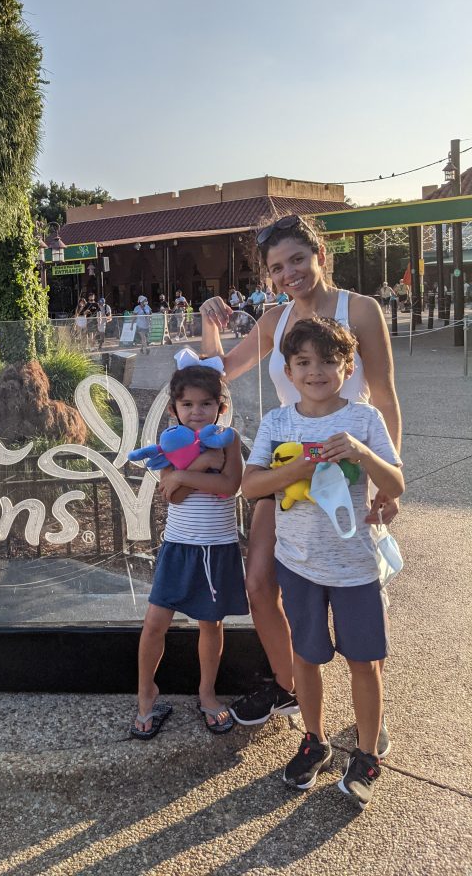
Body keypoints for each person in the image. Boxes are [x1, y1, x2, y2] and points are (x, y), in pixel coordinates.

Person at [198, 214, 401, 741]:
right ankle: (292, 687)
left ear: (319, 255)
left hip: (344, 468)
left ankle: (367, 719)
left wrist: (387, 480)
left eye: (297, 260)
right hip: (287, 467)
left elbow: (382, 395)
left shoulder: (359, 309)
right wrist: (210, 320)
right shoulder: (274, 319)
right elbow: (221, 369)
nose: (289, 273)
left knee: (358, 593)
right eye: (276, 267)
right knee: (260, 583)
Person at [242, 317, 404, 808]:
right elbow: (251, 487)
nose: (316, 372)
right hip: (299, 565)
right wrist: (296, 467)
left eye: (328, 362)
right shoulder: (277, 423)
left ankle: (368, 752)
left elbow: (394, 485)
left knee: (364, 662)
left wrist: (359, 452)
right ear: (288, 372)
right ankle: (314, 739)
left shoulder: (363, 420)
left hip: (355, 566)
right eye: (304, 363)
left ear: (347, 367)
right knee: (307, 657)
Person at [131, 361, 248, 739]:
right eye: (187, 405)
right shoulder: (172, 442)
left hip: (217, 548)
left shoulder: (229, 440)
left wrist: (186, 475)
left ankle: (207, 693)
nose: (196, 412)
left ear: (220, 407)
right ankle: (146, 695)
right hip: (179, 547)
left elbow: (230, 485)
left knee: (210, 624)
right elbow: (173, 495)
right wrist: (195, 467)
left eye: (205, 404)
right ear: (173, 409)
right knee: (154, 624)